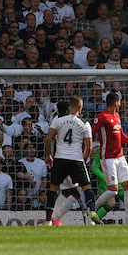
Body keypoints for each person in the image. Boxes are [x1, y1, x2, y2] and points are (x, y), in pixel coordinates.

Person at [43, 96, 95, 225]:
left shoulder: (58, 119)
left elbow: (48, 139)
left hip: (60, 158)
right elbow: (89, 147)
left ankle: (49, 220)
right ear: (80, 107)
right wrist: (84, 160)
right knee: (86, 188)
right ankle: (93, 211)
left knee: (53, 189)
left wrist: (48, 155)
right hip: (76, 159)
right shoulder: (84, 123)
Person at [90, 91, 128, 225]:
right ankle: (92, 210)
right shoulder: (102, 117)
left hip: (120, 156)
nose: (121, 104)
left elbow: (121, 134)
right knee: (113, 191)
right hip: (108, 158)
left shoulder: (116, 115)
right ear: (116, 103)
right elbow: (91, 132)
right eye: (119, 102)